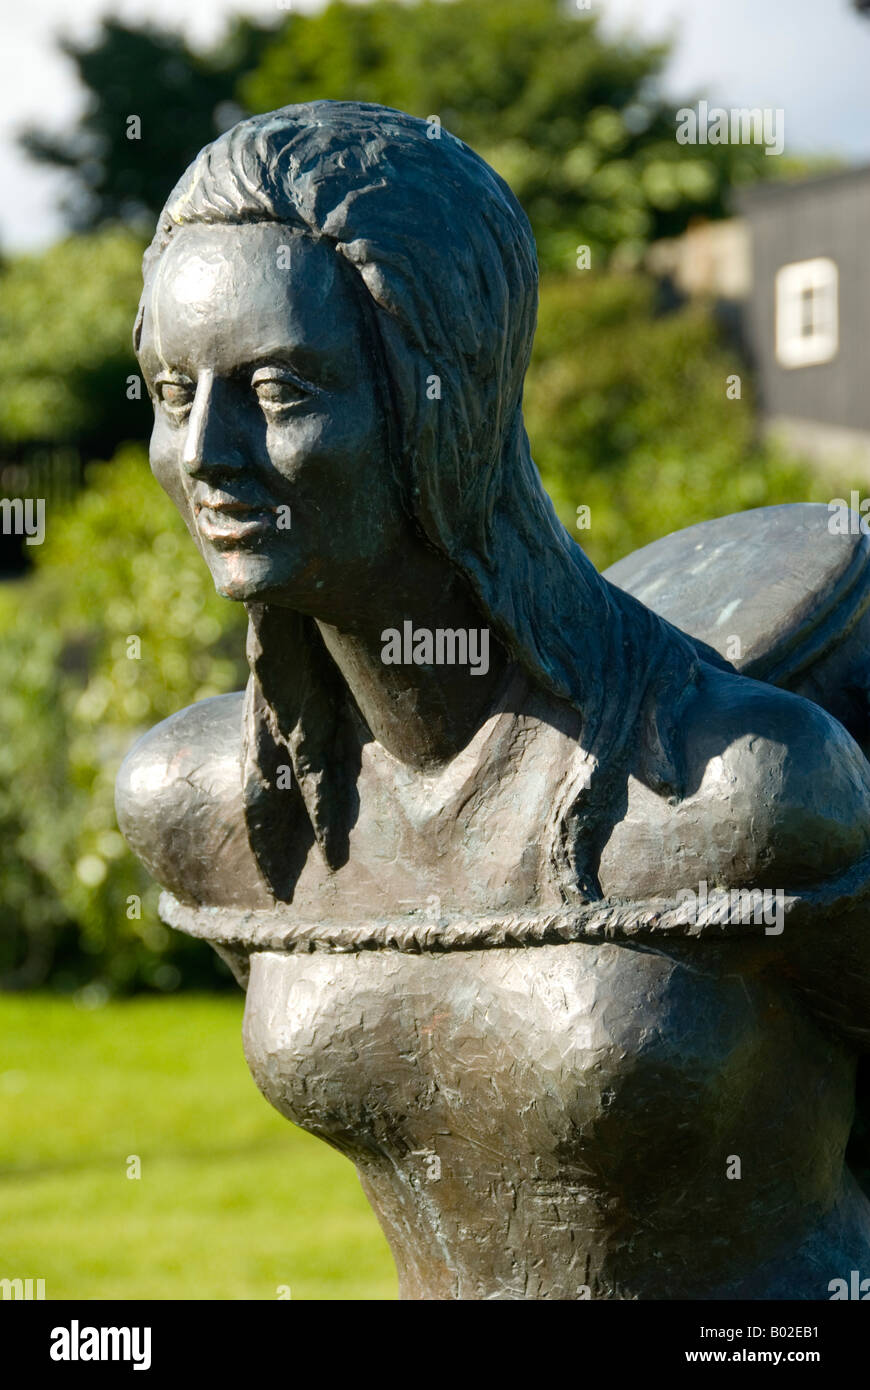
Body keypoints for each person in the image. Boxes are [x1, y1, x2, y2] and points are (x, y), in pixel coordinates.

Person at [117, 102, 870, 1299]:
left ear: (443, 400)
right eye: (167, 393)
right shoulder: (215, 813)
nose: (206, 450)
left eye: (277, 390)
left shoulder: (740, 789)